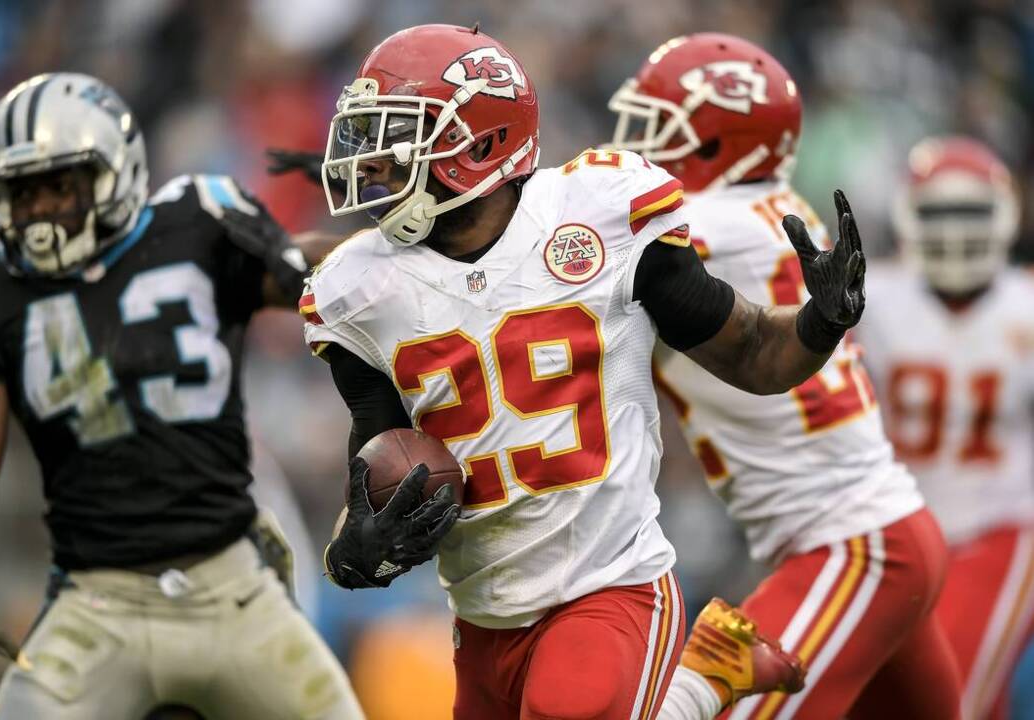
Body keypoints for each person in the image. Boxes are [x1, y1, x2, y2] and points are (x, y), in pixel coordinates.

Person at [300, 24, 867, 719]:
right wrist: (354, 553)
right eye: (369, 137)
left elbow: (750, 351)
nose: (374, 162)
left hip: (610, 585)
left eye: (400, 135)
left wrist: (820, 321)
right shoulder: (357, 289)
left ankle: (698, 684)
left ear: (480, 143)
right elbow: (379, 465)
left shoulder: (601, 214)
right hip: (482, 616)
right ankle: (713, 672)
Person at [0, 72, 364, 720]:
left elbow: (315, 274)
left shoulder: (195, 225)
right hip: (96, 605)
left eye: (57, 186)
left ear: (115, 171)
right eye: (21, 192)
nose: (39, 211)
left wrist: (401, 254)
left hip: (233, 588)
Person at [604, 33, 962, 720]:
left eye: (659, 127)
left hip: (852, 548)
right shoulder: (771, 209)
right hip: (884, 533)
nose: (640, 148)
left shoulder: (691, 226)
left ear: (714, 142)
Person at [857, 136, 1034, 720]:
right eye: (939, 213)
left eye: (969, 213)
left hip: (1001, 527)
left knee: (955, 694)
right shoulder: (872, 299)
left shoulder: (1024, 305)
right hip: (896, 535)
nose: (955, 230)